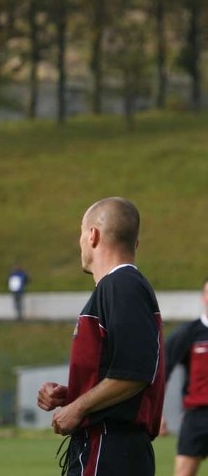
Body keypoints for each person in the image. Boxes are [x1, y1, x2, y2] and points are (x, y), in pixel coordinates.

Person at [36, 197, 165, 476]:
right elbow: (123, 371)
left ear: (92, 235)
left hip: (108, 448)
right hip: (109, 447)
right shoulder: (118, 288)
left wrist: (78, 408)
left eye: (81, 232)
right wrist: (71, 395)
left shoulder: (122, 285)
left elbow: (134, 373)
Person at [162, 278, 208, 476]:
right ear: (203, 297)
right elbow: (161, 371)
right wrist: (156, 414)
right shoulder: (188, 333)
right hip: (196, 416)